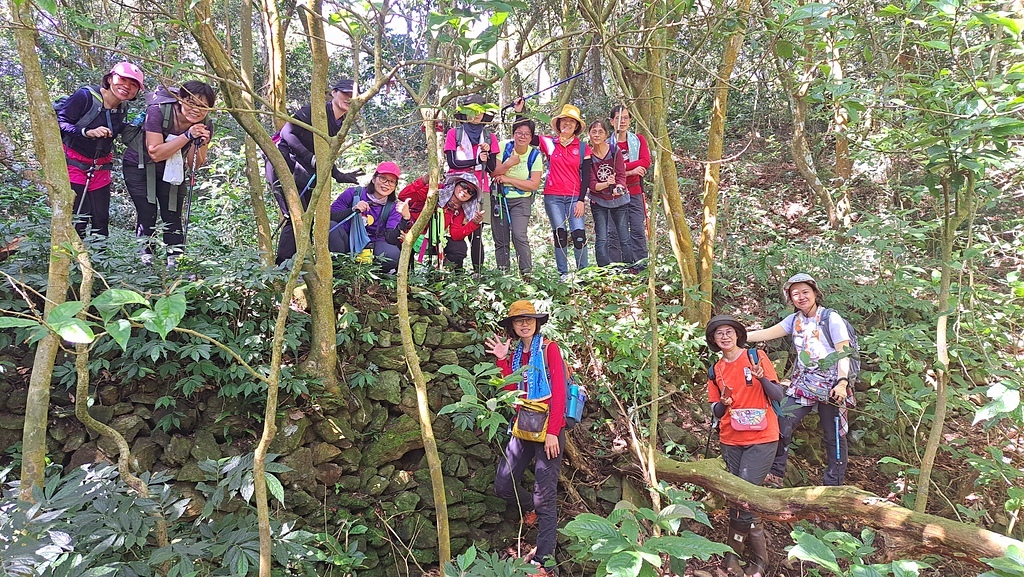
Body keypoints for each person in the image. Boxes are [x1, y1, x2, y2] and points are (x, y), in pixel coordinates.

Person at [747, 273, 855, 487]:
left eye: (805, 292)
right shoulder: (794, 320)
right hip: (803, 384)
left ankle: (834, 485)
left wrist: (842, 383)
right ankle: (775, 473)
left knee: (833, 436)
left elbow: (844, 352)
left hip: (831, 386)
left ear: (815, 293)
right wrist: (735, 337)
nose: (801, 297)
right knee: (782, 420)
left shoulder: (830, 318)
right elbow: (767, 333)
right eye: (795, 294)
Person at [485, 300, 568, 576]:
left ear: (537, 323)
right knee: (502, 485)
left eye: (529, 320)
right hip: (523, 426)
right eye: (519, 320)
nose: (524, 324)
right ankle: (533, 507)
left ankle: (544, 561)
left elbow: (559, 392)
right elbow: (511, 391)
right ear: (512, 326)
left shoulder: (549, 349)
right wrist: (501, 359)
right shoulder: (516, 354)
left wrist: (554, 432)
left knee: (546, 496)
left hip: (548, 428)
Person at [705, 315, 783, 577]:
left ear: (738, 334)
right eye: (719, 334)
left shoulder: (755, 357)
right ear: (714, 341)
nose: (725, 337)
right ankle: (758, 559)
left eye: (729, 332)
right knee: (741, 499)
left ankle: (733, 556)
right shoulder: (715, 370)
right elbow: (715, 410)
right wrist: (724, 402)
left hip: (762, 438)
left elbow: (778, 395)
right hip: (730, 439)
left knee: (743, 496)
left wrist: (761, 378)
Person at [267, 78, 360, 265]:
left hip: (305, 173)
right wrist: (309, 156)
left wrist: (338, 174)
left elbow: (325, 155)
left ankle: (297, 266)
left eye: (354, 96)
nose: (349, 99)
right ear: (334, 93)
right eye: (345, 93)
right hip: (283, 164)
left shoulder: (341, 124)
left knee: (305, 219)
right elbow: (287, 133)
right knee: (295, 217)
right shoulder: (316, 110)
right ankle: (282, 267)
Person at [123, 80, 215, 268]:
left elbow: (194, 164)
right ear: (180, 99)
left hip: (172, 169)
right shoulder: (157, 112)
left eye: (203, 107)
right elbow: (155, 152)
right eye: (191, 103)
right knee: (147, 211)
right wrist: (187, 136)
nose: (196, 110)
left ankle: (176, 262)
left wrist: (201, 143)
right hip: (139, 165)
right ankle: (146, 260)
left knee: (172, 213)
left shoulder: (205, 125)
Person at [56, 62, 144, 239]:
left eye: (133, 84)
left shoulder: (122, 107)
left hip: (101, 166)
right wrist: (86, 132)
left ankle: (99, 263)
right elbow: (60, 121)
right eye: (123, 79)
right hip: (74, 163)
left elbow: (116, 130)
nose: (127, 86)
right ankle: (74, 261)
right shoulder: (86, 96)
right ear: (110, 79)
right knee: (79, 217)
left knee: (101, 219)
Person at [512, 98, 591, 281]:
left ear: (576, 126)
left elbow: (586, 176)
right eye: (565, 121)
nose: (567, 124)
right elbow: (525, 134)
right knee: (560, 234)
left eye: (571, 122)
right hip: (553, 197)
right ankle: (563, 274)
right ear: (559, 124)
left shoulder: (582, 147)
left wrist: (581, 200)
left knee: (579, 234)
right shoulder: (549, 143)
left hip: (574, 197)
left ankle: (584, 274)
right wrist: (520, 112)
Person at [444, 94, 498, 274]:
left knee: (477, 234)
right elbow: (452, 163)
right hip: (457, 189)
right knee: (452, 230)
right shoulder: (454, 133)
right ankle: (454, 273)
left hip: (480, 190)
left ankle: (478, 273)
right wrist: (475, 160)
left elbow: (491, 168)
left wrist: (488, 153)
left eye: (479, 112)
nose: (475, 115)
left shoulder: (490, 137)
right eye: (471, 111)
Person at [328, 161, 411, 274]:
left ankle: (375, 274)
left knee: (392, 254)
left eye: (392, 182)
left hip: (374, 245)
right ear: (373, 179)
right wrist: (353, 209)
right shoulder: (352, 193)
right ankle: (339, 270)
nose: (386, 184)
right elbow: (330, 216)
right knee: (331, 226)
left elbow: (391, 238)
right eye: (383, 178)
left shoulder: (393, 207)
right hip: (347, 241)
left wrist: (405, 218)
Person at [490, 117, 543, 276]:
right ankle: (503, 274)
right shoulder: (503, 147)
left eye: (527, 134)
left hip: (521, 200)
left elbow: (533, 184)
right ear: (513, 134)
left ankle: (526, 274)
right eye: (519, 133)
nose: (522, 136)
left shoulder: (534, 155)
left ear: (531, 136)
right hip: (499, 198)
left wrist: (508, 179)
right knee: (501, 239)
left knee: (519, 236)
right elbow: (493, 172)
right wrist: (510, 163)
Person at [399, 173, 484, 269]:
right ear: (456, 184)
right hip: (412, 233)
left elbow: (455, 235)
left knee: (459, 248)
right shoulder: (436, 191)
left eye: (470, 191)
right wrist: (423, 181)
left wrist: (474, 223)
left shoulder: (459, 211)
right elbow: (403, 196)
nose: (465, 191)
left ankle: (439, 274)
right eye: (464, 186)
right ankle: (406, 275)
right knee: (401, 240)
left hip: (433, 240)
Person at [607, 105, 651, 265]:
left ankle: (641, 266)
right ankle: (617, 269)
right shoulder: (606, 145)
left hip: (635, 191)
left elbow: (645, 161)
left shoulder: (638, 140)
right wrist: (631, 171)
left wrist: (621, 169)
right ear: (612, 121)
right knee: (615, 232)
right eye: (618, 118)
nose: (622, 121)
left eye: (625, 118)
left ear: (630, 120)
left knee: (638, 230)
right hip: (614, 194)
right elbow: (607, 172)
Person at [586, 119, 633, 267]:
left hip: (619, 201)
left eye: (600, 132)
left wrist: (618, 187)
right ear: (589, 134)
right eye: (594, 131)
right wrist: (607, 184)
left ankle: (630, 268)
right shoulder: (588, 155)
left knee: (624, 236)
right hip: (598, 201)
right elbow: (592, 184)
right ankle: (603, 271)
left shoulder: (614, 150)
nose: (597, 135)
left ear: (606, 134)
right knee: (602, 238)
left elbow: (621, 175)